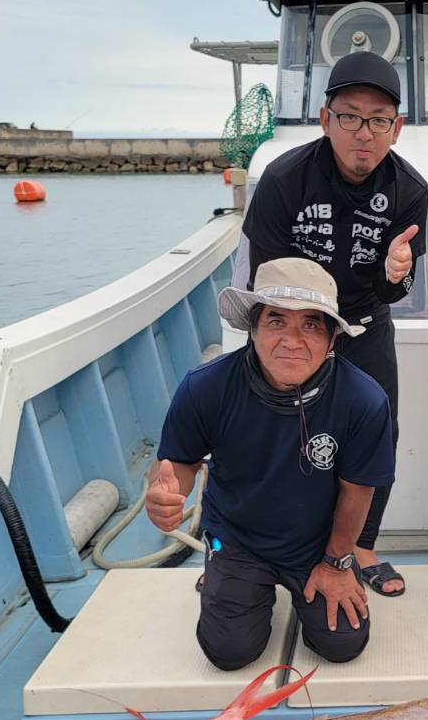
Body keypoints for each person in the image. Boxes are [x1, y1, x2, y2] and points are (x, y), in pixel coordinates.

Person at [239, 50, 427, 598]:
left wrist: (397, 274)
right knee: (269, 428)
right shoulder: (284, 178)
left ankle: (360, 546)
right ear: (326, 120)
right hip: (295, 325)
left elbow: (398, 290)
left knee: (378, 431)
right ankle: (251, 550)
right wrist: (291, 340)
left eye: (378, 120)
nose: (363, 132)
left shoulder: (410, 190)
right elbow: (263, 279)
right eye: (349, 116)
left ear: (396, 128)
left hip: (366, 325)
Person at [145, 258, 395, 669]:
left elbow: (358, 490)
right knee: (229, 652)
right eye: (276, 321)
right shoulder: (205, 387)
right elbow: (177, 464)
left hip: (318, 543)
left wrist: (336, 563)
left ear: (333, 338)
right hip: (238, 538)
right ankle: (224, 570)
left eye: (311, 325)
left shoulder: (363, 400)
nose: (292, 340)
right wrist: (164, 495)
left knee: (342, 644)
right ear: (253, 328)